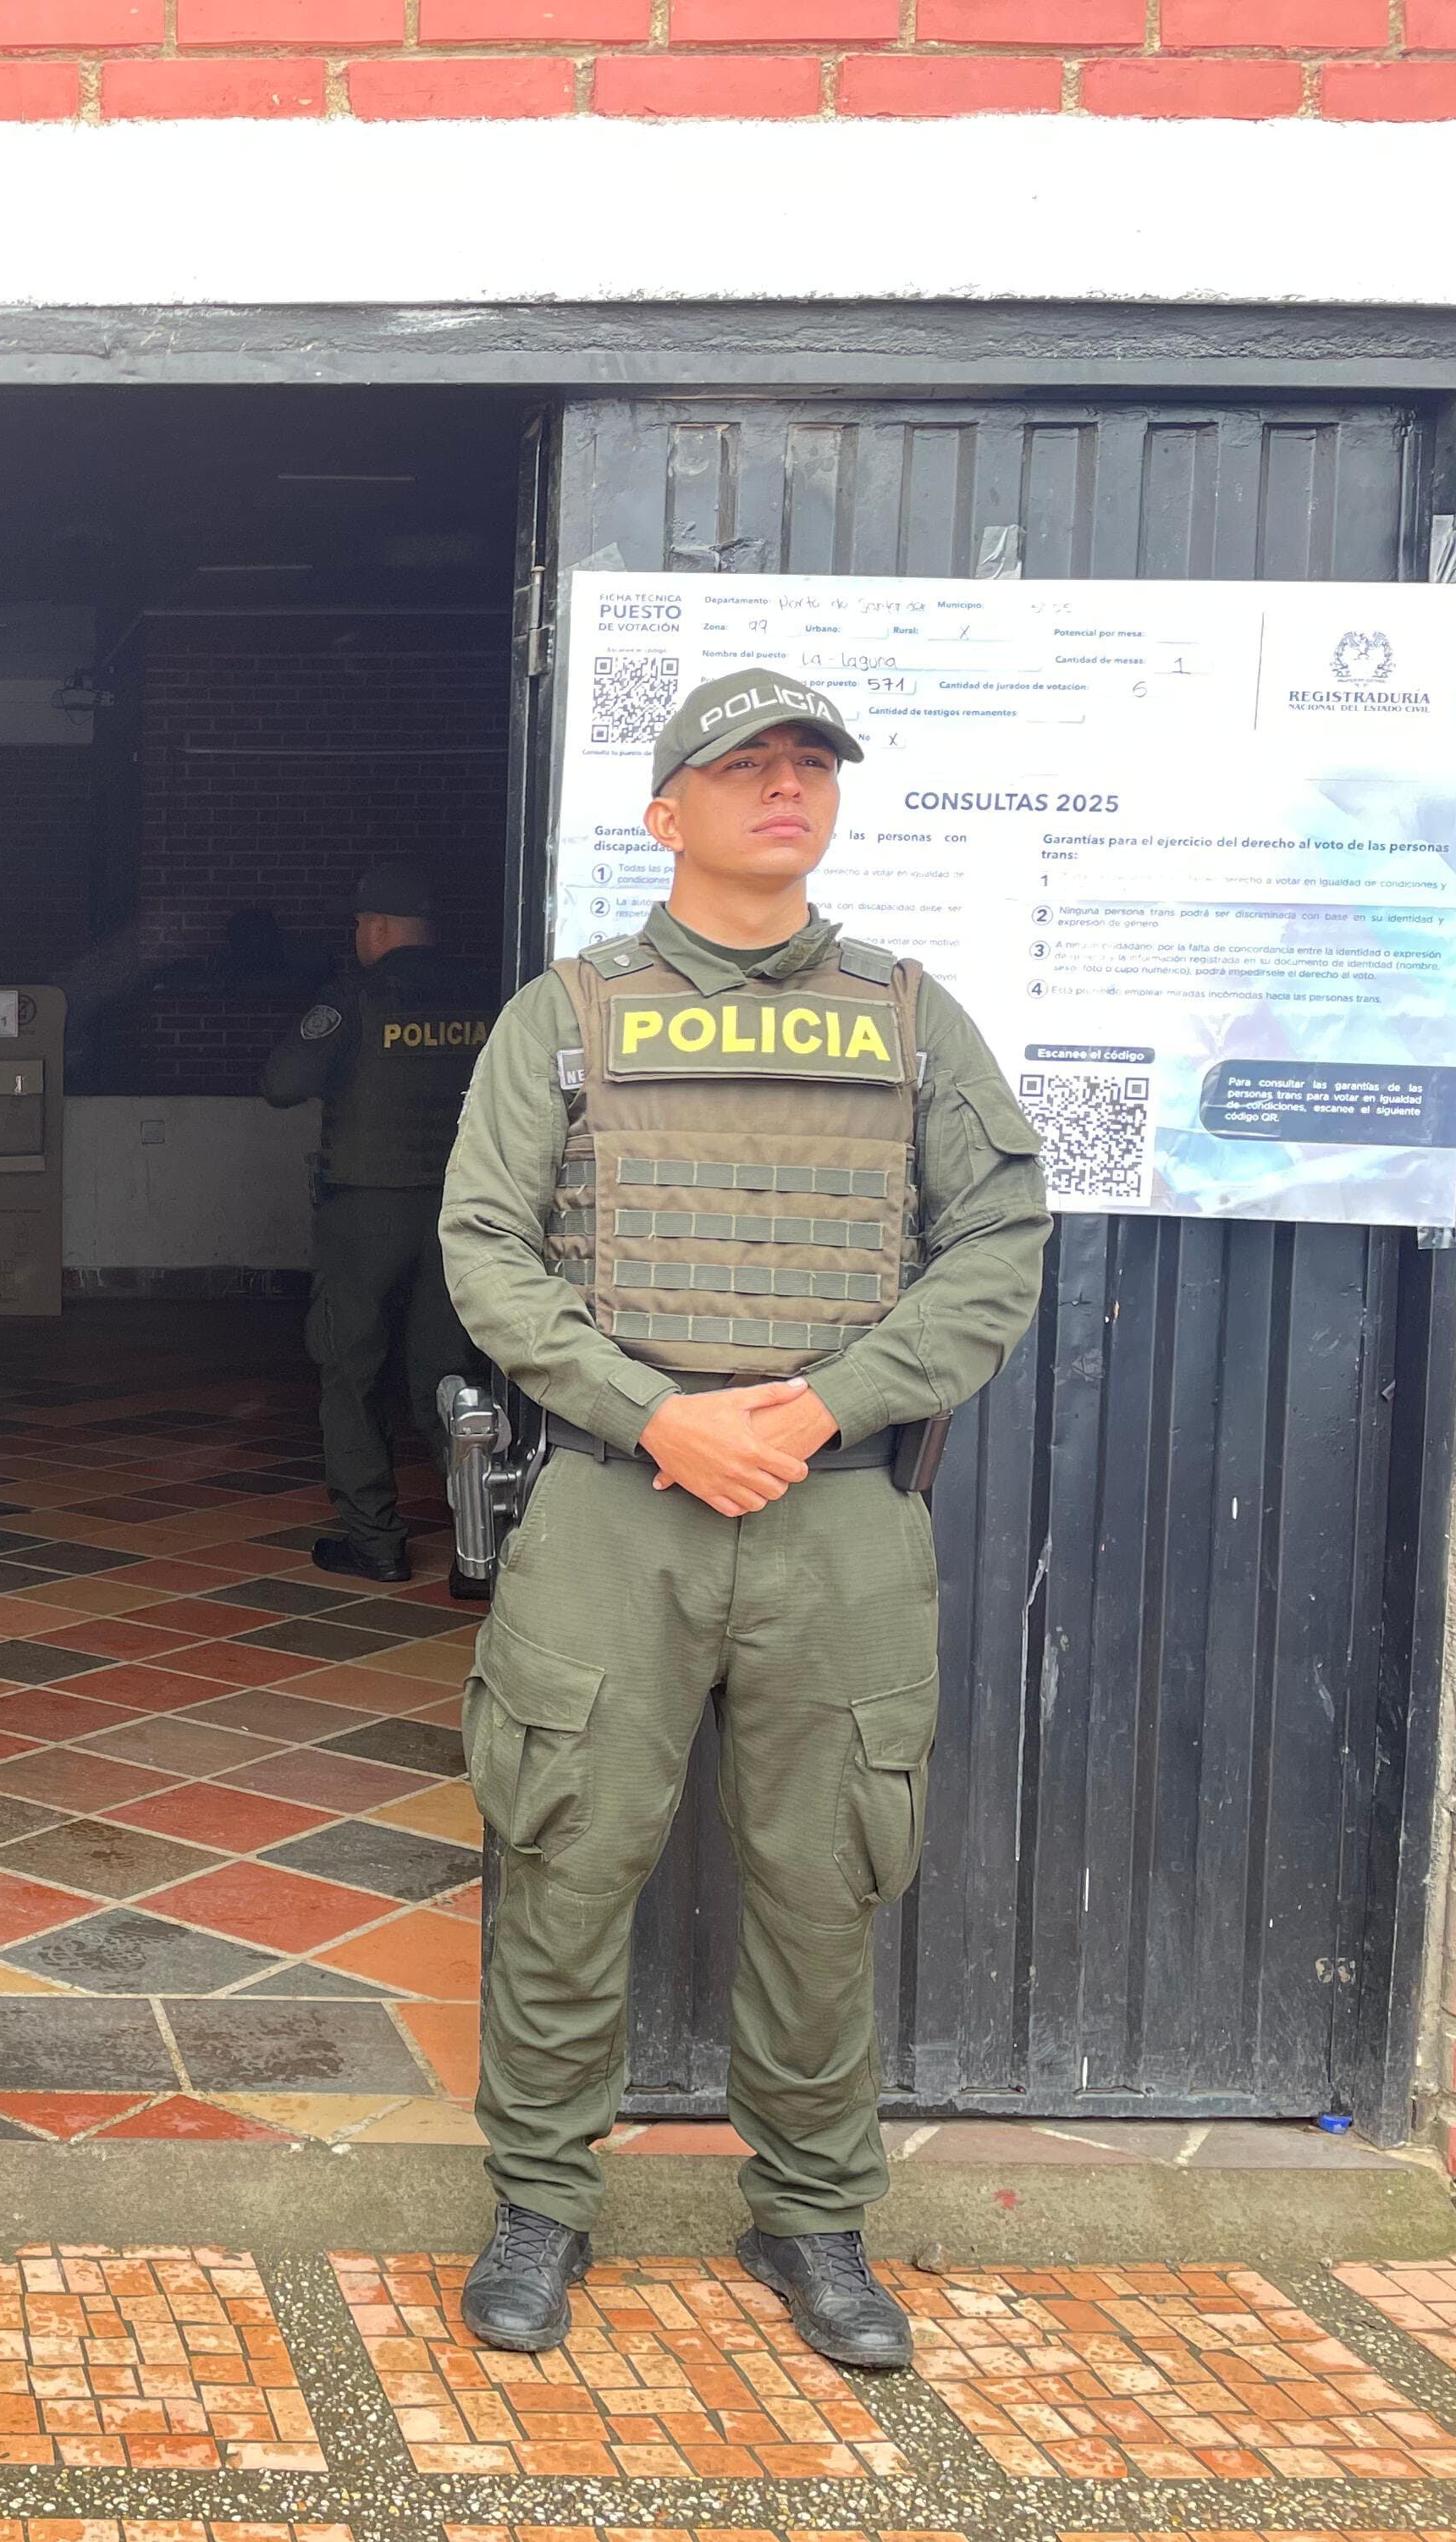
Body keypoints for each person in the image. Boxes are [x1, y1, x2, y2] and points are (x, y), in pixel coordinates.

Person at [438, 670, 1047, 2370]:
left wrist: (831, 1398)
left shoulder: (910, 1020)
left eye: (808, 767)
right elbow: (485, 1244)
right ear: (666, 814)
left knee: (823, 1873)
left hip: (832, 1511)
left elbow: (1000, 1241)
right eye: (744, 767)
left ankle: (813, 2217)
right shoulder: (564, 1016)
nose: (785, 789)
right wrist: (654, 1411)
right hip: (613, 1504)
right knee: (564, 1855)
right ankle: (541, 2202)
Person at [262, 862, 499, 1585]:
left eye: (361, 925)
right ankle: (480, 1546)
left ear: (380, 928)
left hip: (366, 1210)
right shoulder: (488, 994)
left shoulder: (355, 997)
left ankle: (375, 1541)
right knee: (451, 1378)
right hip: (462, 1209)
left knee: (352, 1370)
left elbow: (281, 1083)